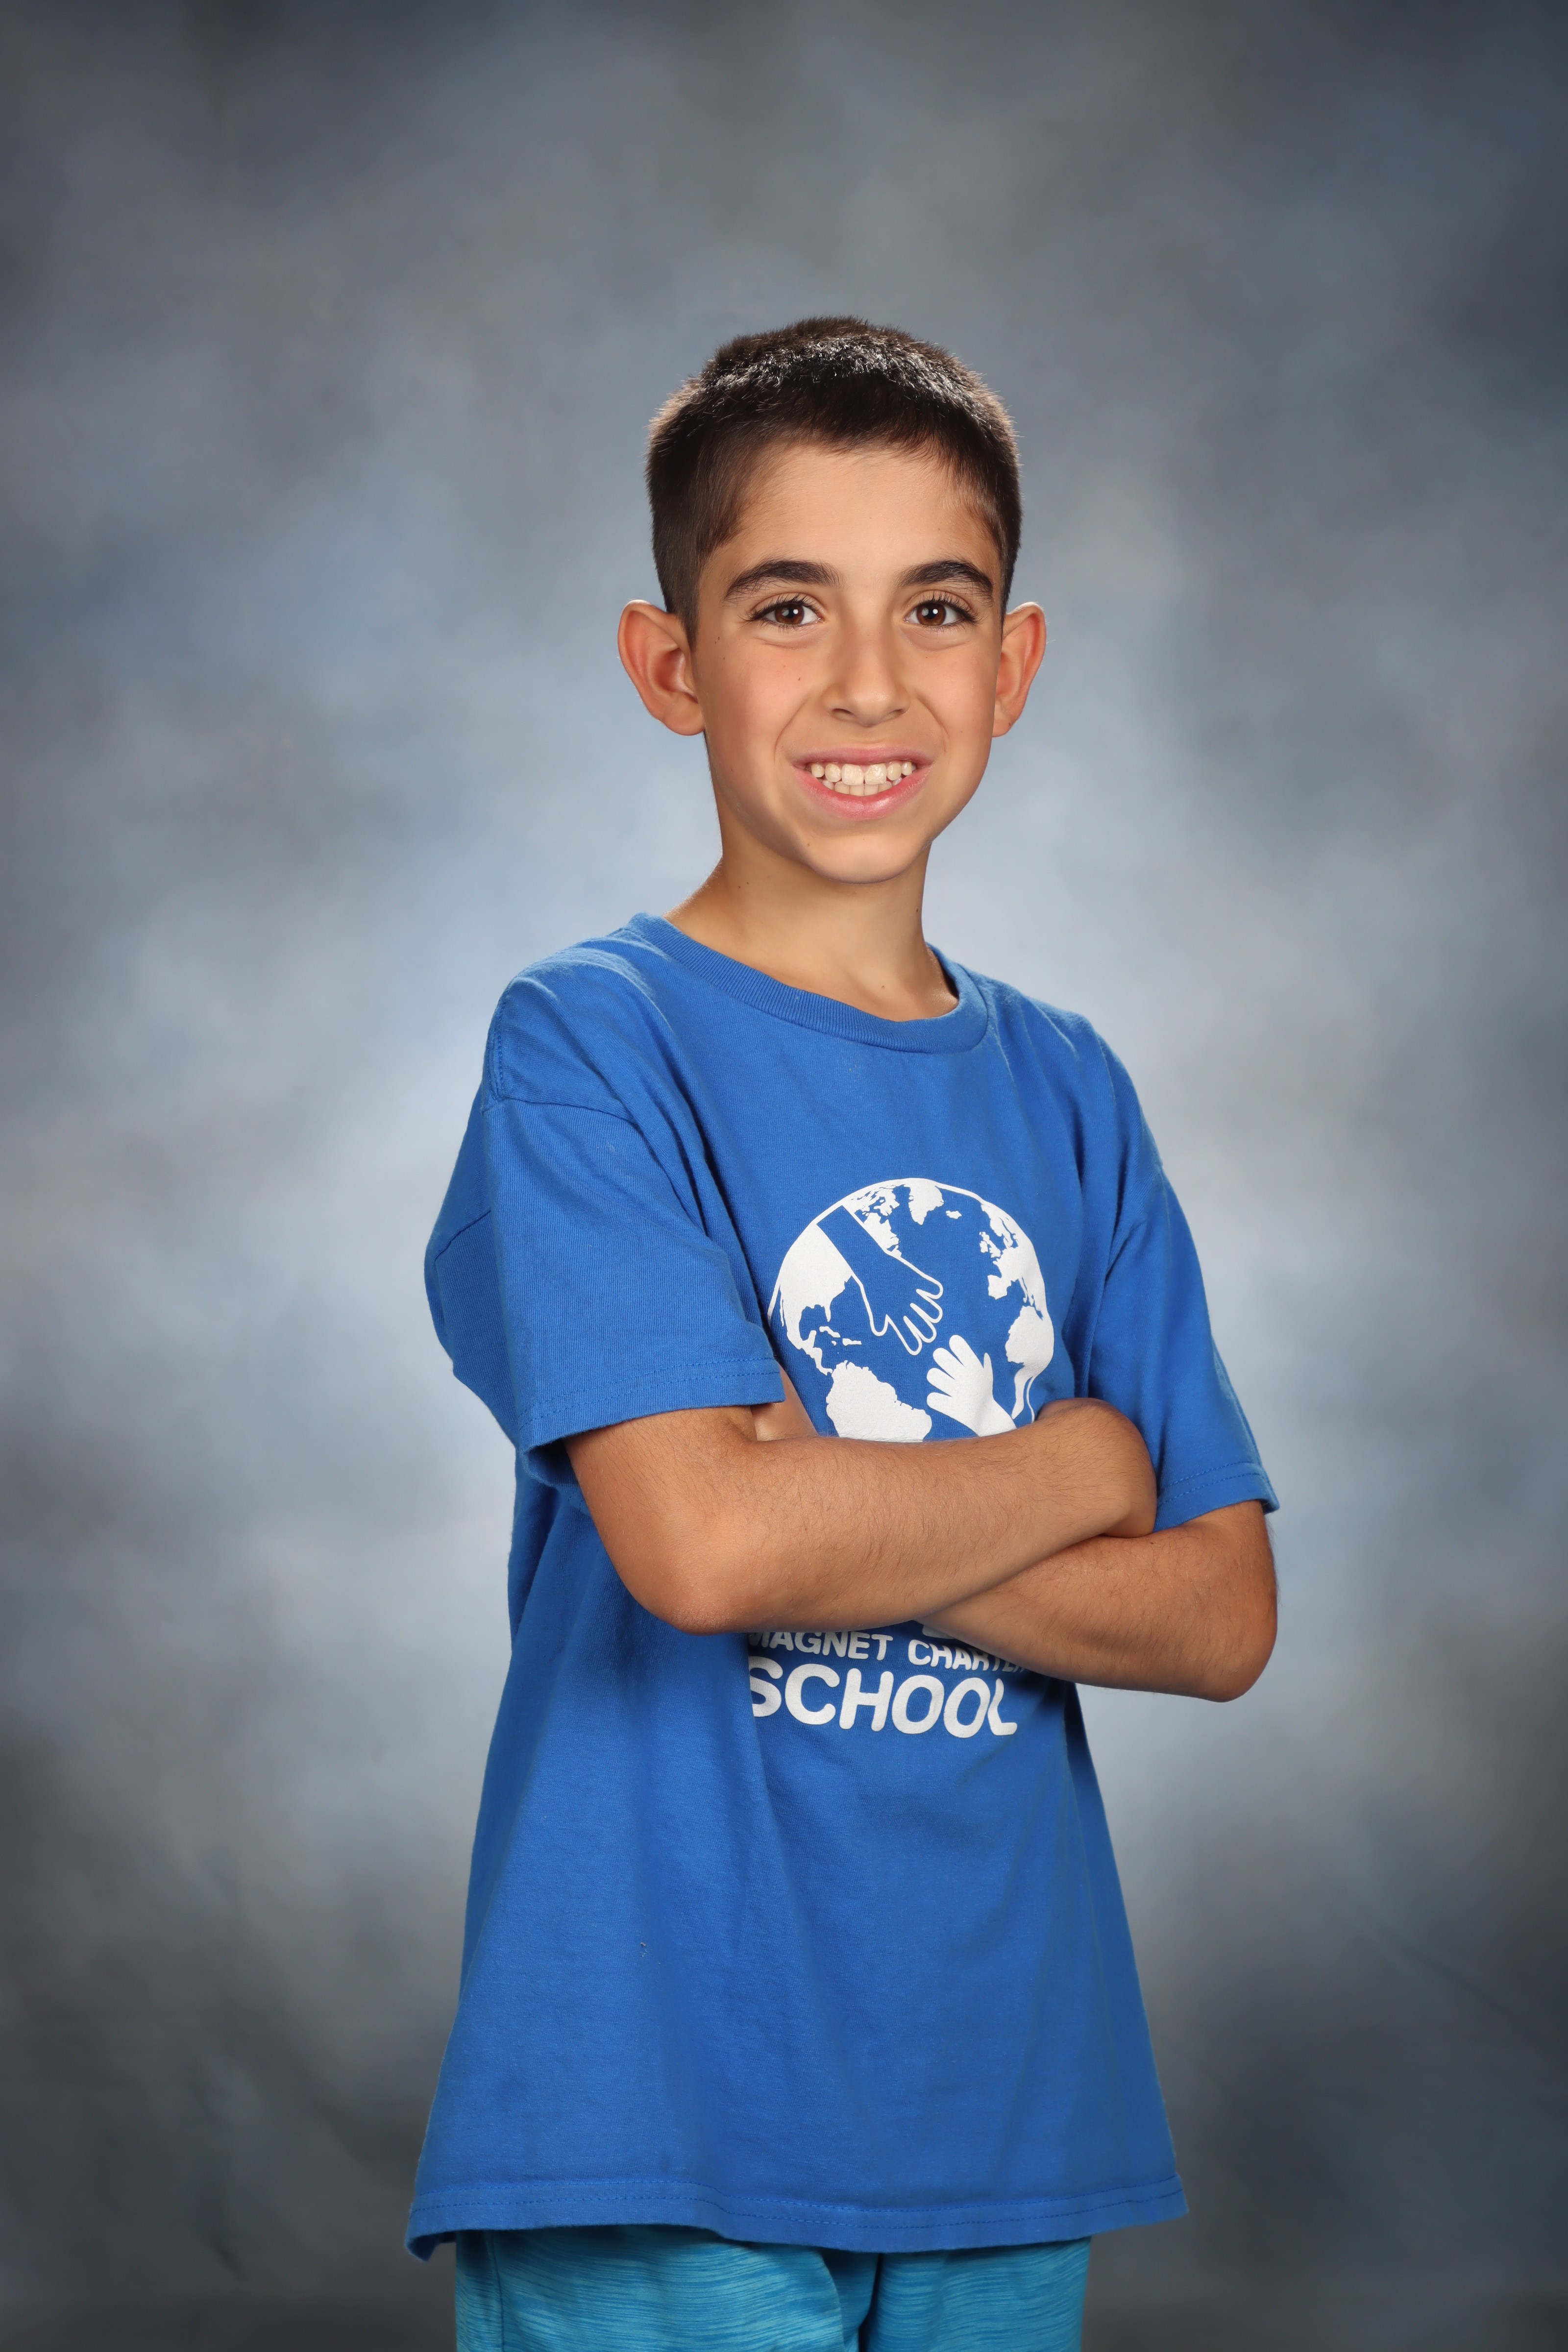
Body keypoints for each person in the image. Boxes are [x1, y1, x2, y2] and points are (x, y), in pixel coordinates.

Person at [411, 318, 1278, 2351]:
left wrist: (837, 1495)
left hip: (1000, 2097)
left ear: (1013, 664)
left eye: (935, 609)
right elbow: (706, 1549)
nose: (868, 681)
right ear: (670, 664)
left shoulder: (1070, 1092)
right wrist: (1075, 1468)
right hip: (656, 2094)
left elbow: (1221, 1614)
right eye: (787, 606)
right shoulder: (590, 1048)